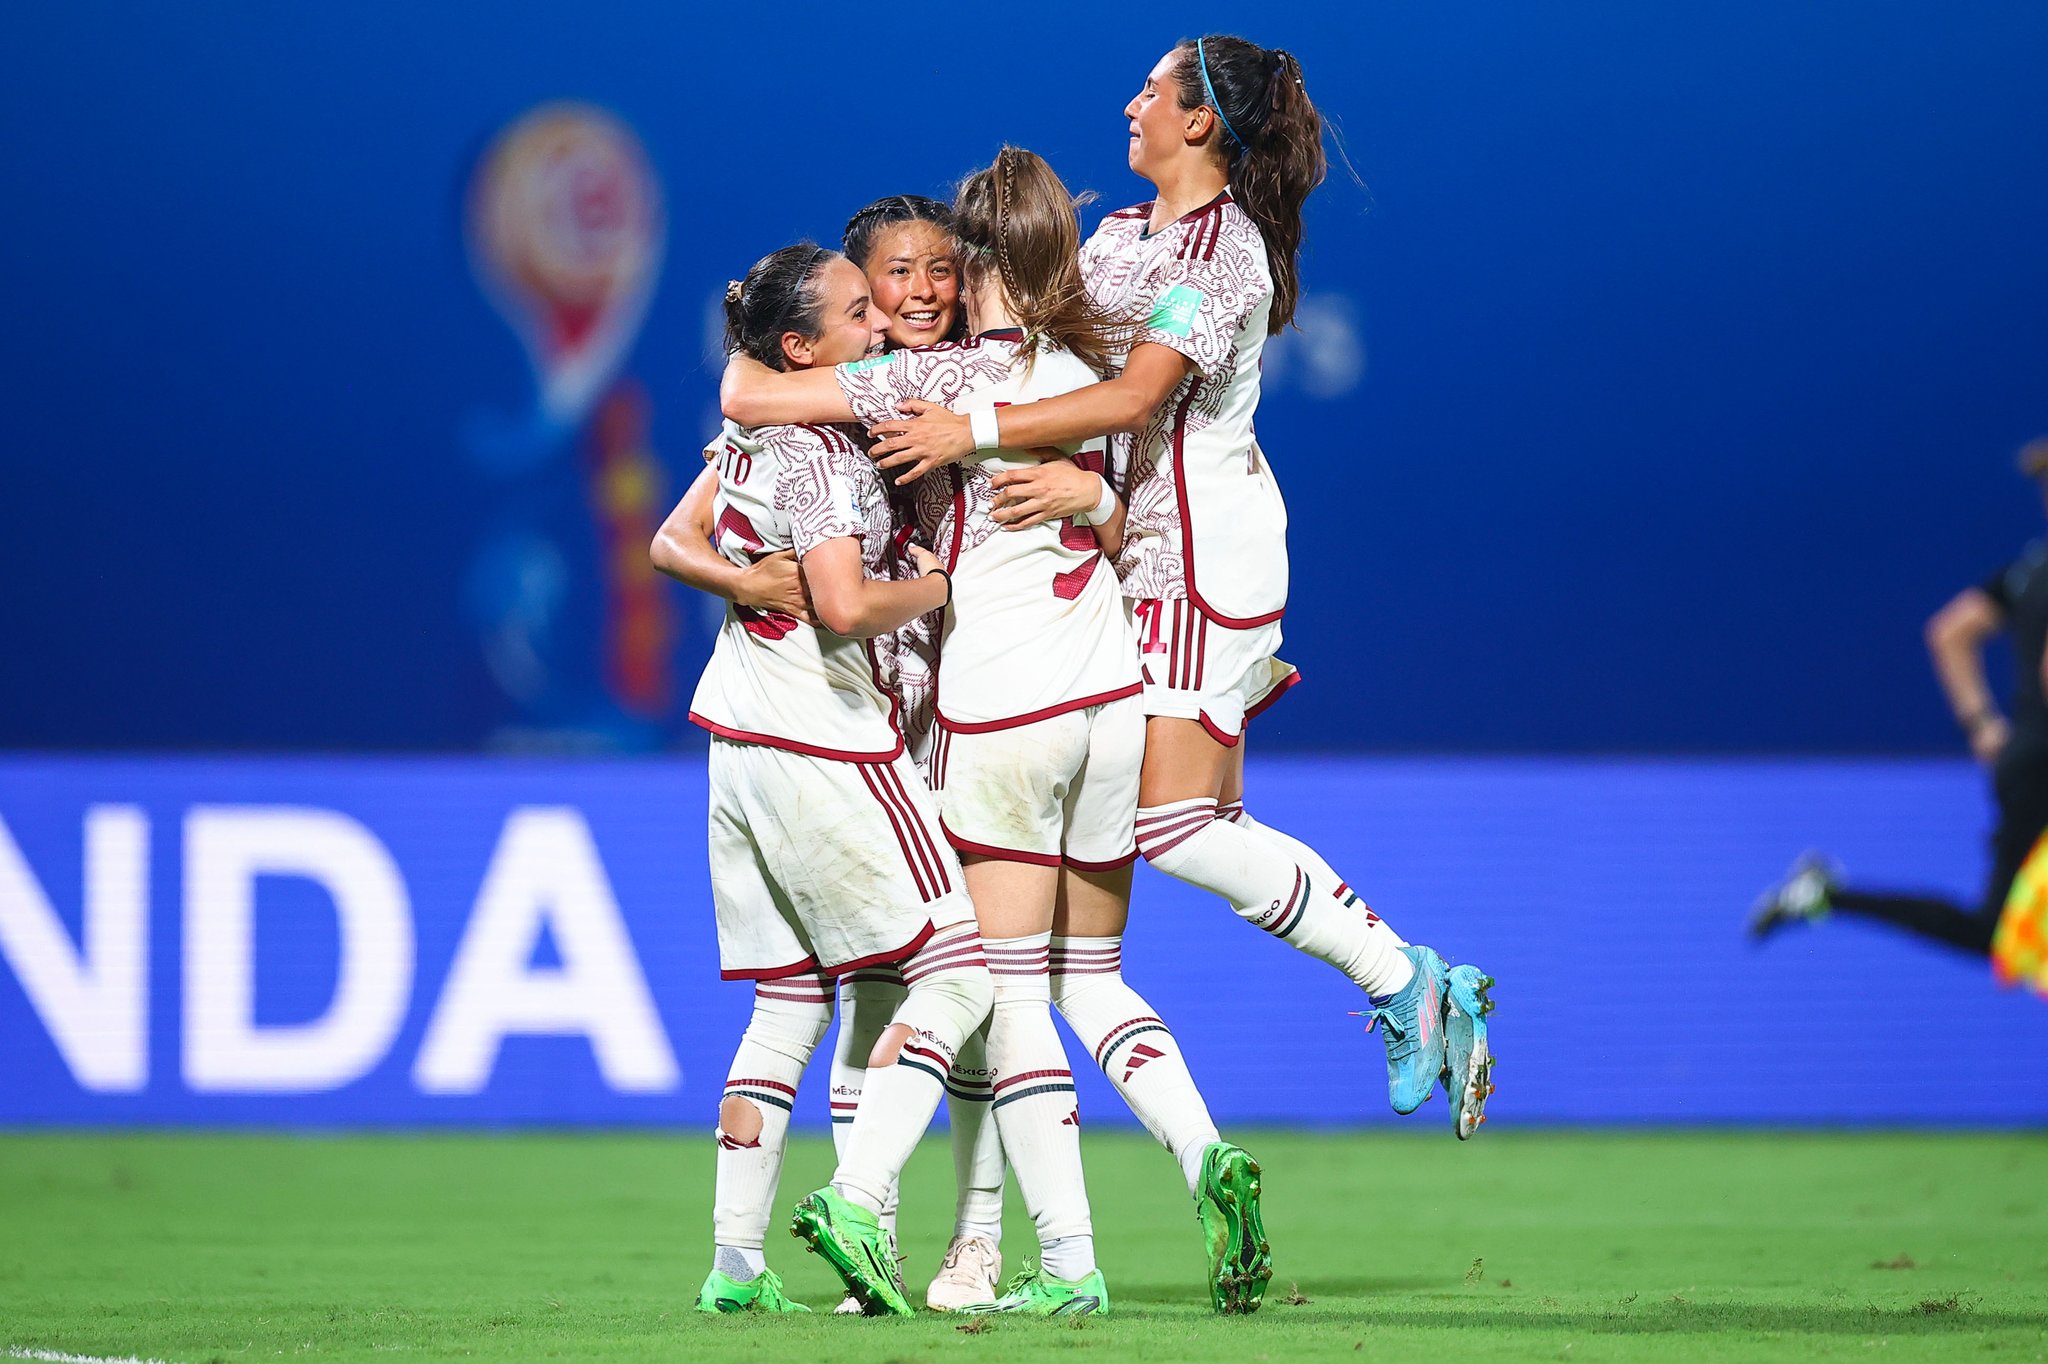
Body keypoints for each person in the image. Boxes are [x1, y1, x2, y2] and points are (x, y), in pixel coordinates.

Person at [853, 36, 1498, 1140]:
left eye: (1151, 90)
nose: (1129, 103)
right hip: (1124, 550)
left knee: (1180, 825)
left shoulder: (1223, 254)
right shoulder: (1114, 238)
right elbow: (1036, 353)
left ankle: (1404, 976)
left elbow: (1131, 396)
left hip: (1201, 561)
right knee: (1176, 826)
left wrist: (974, 426)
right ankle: (1394, 985)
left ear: (1197, 122)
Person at [725, 146, 1224, 1318]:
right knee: (977, 983)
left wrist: (1075, 504)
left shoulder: (920, 385)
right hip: (980, 703)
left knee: (973, 980)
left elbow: (748, 391)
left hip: (965, 706)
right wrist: (741, 577)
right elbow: (696, 509)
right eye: (884, 278)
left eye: (937, 268)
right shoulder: (1063, 366)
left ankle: (971, 1241)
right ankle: (923, 1245)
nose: (916, 290)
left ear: (974, 271)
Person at [679, 242, 992, 1317]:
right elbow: (847, 606)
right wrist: (946, 584)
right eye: (857, 310)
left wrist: (735, 575)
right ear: (797, 347)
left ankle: (734, 1264)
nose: (877, 326)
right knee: (957, 972)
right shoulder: (815, 449)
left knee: (788, 1003)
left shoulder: (750, 429)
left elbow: (675, 541)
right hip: (825, 741)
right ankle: (857, 1201)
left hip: (735, 739)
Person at [1752, 438, 2048, 980]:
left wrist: (1981, 725)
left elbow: (1950, 633)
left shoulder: (2026, 573)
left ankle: (1827, 897)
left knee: (1994, 932)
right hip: (2043, 771)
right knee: (2003, 935)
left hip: (2025, 763)